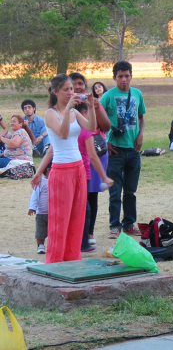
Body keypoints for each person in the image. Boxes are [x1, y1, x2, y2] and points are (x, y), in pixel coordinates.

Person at [31, 73, 97, 264]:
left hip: (78, 168)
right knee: (60, 220)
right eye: (66, 89)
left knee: (77, 218)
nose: (71, 92)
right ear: (55, 92)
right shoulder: (50, 114)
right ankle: (54, 261)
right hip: (61, 171)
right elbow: (62, 134)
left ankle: (71, 259)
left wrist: (91, 108)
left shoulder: (75, 112)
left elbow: (91, 127)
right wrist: (68, 109)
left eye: (72, 89)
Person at [101, 61, 145, 239]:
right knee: (114, 189)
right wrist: (105, 142)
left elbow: (141, 117)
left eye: (127, 76)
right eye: (120, 76)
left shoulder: (137, 94)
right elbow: (97, 119)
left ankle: (128, 223)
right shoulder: (108, 96)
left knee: (130, 190)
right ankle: (114, 225)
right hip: (115, 150)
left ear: (131, 76)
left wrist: (141, 134)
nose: (124, 80)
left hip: (133, 149)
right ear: (114, 77)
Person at [75, 102, 113, 252]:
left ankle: (82, 239)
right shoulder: (83, 132)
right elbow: (92, 156)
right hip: (80, 172)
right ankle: (82, 241)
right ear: (83, 115)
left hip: (80, 172)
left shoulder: (77, 131)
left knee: (85, 204)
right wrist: (104, 177)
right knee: (84, 207)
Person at [28, 161, 51, 254]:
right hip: (41, 212)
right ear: (49, 170)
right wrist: (32, 207)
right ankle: (40, 246)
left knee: (53, 231)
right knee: (40, 231)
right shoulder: (40, 181)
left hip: (54, 213)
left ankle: (52, 245)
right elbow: (35, 195)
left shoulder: (58, 181)